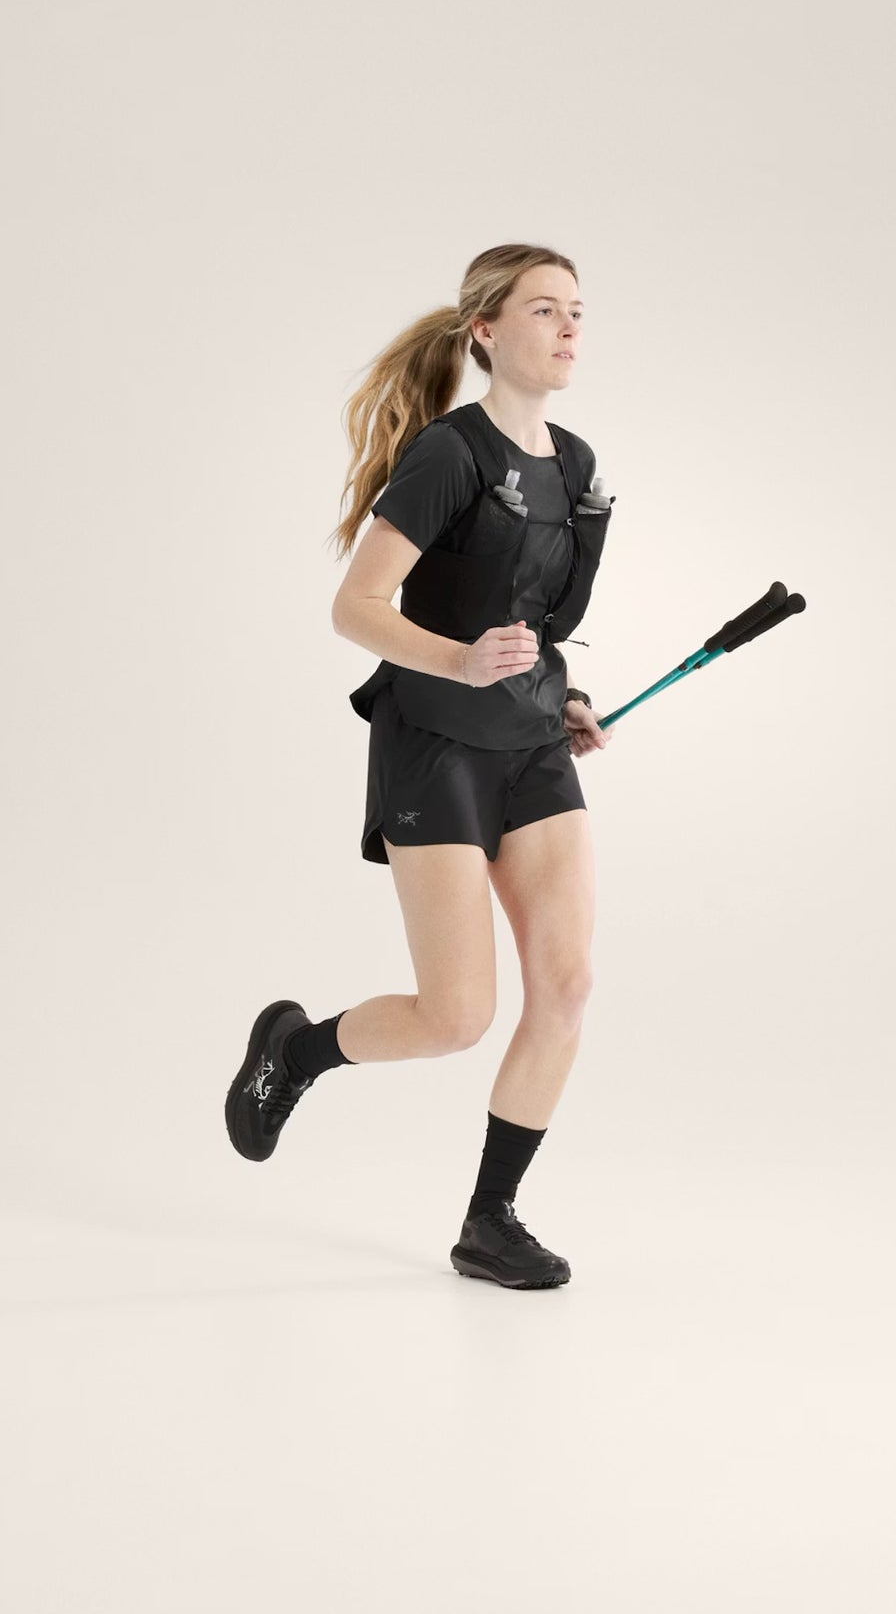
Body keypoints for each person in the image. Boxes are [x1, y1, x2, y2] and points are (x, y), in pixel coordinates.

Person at [225, 244, 615, 1291]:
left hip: (530, 745)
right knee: (455, 1017)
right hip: (434, 742)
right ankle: (295, 1052)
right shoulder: (450, 453)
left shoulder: (577, 463)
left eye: (577, 311)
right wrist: (460, 662)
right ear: (485, 328)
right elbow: (354, 607)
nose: (569, 328)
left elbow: (530, 621)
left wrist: (562, 697)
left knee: (567, 984)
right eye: (545, 309)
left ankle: (490, 1221)